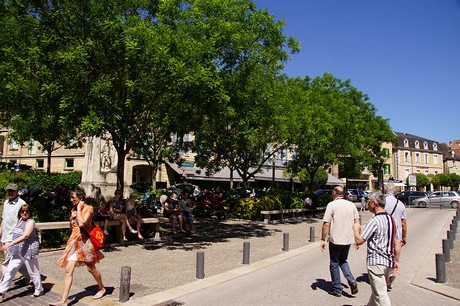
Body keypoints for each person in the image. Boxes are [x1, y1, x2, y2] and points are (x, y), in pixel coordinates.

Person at [50, 187, 105, 306]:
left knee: (91, 269)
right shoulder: (73, 209)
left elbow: (82, 223)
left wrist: (79, 209)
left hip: (85, 244)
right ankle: (63, 301)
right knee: (68, 269)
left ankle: (101, 288)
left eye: (73, 198)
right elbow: (73, 226)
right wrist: (72, 216)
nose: (71, 200)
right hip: (74, 242)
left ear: (81, 198)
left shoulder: (88, 208)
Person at [353, 191, 398, 306]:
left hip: (376, 262)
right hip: (388, 262)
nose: (368, 204)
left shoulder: (375, 221)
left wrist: (356, 229)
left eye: (369, 202)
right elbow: (396, 242)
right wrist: (396, 260)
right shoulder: (392, 219)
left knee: (381, 295)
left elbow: (360, 240)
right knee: (377, 292)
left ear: (375, 203)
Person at [320, 186, 359, 297]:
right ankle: (351, 280)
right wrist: (357, 237)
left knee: (334, 263)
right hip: (348, 239)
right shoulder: (351, 205)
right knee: (343, 260)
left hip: (336, 239)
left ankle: (337, 289)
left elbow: (326, 223)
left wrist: (323, 239)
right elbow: (357, 222)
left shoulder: (331, 205)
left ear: (334, 193)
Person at [0, 204, 43, 302]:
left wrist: (9, 244)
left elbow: (25, 236)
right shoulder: (20, 221)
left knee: (33, 271)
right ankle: (1, 292)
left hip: (28, 250)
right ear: (20, 212)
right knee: (10, 270)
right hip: (18, 251)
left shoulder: (31, 222)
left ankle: (39, 289)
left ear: (30, 212)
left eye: (27, 211)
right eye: (22, 211)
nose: (24, 213)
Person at [0, 183, 29, 279]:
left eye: (12, 191)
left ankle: (3, 285)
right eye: (9, 190)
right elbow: (4, 219)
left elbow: (24, 220)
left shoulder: (21, 203)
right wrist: (0, 231)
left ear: (17, 191)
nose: (10, 193)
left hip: (13, 237)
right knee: (15, 260)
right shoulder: (6, 203)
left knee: (7, 262)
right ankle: (31, 276)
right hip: (5, 236)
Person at [384, 182, 407, 291]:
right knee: (395, 260)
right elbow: (403, 223)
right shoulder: (400, 204)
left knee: (383, 258)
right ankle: (391, 279)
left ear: (385, 190)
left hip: (384, 235)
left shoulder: (381, 202)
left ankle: (383, 280)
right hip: (396, 236)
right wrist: (404, 237)